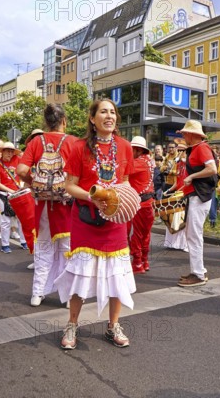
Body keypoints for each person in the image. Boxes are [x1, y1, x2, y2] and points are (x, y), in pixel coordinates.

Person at [55, 98, 136, 350]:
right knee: (81, 275)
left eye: (113, 112)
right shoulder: (79, 147)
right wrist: (94, 197)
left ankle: (113, 326)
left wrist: (122, 198)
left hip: (115, 222)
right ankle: (72, 324)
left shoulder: (124, 146)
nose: (109, 116)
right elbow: (70, 185)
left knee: (116, 277)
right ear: (93, 118)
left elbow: (124, 181)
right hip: (86, 220)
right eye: (103, 112)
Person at [17, 104, 76, 306]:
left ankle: (37, 293)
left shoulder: (36, 142)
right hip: (66, 205)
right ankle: (68, 296)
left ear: (46, 123)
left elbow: (22, 169)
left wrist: (34, 182)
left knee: (43, 249)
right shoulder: (74, 142)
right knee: (68, 250)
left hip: (42, 204)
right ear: (64, 122)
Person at [176, 120, 217, 287]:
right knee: (193, 235)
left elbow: (212, 169)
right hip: (198, 195)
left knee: (194, 235)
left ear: (192, 135)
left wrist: (192, 177)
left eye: (185, 133)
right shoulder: (197, 148)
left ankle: (198, 274)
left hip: (200, 196)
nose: (184, 136)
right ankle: (197, 270)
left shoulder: (201, 148)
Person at [0, 141, 28, 253]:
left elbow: (22, 175)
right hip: (4, 194)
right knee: (6, 220)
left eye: (11, 151)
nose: (9, 153)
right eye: (7, 151)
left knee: (22, 219)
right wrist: (11, 191)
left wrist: (21, 187)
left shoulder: (17, 160)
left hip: (17, 193)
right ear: (2, 152)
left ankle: (24, 241)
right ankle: (5, 245)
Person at [128, 136, 155, 273]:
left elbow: (123, 170)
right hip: (148, 202)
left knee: (137, 234)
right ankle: (144, 260)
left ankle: (137, 262)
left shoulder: (138, 162)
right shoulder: (148, 161)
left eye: (131, 149)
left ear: (137, 150)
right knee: (145, 234)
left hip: (140, 203)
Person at [163, 141, 189, 252]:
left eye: (183, 151)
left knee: (181, 219)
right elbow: (177, 182)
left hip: (185, 195)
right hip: (177, 194)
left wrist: (179, 192)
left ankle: (184, 244)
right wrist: (168, 191)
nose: (180, 153)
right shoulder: (178, 165)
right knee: (168, 215)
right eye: (180, 150)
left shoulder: (189, 165)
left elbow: (187, 183)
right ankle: (172, 242)